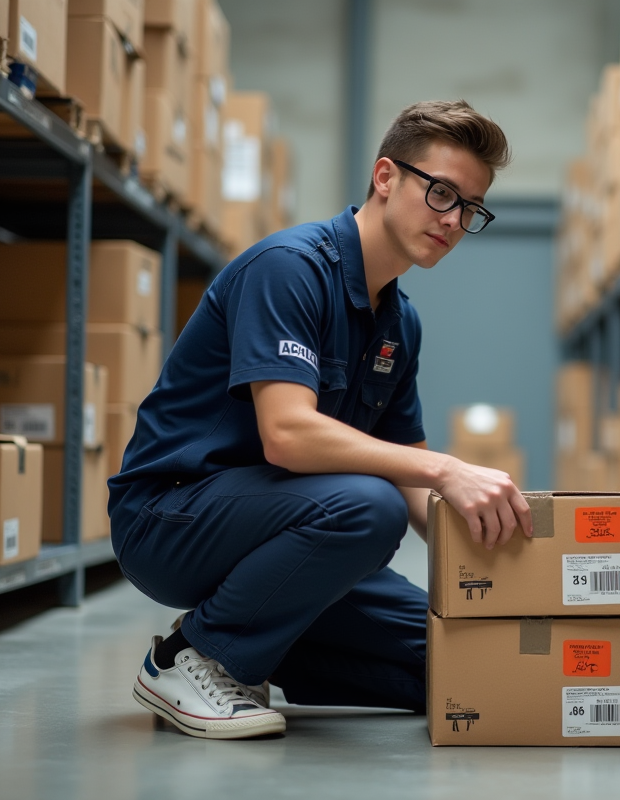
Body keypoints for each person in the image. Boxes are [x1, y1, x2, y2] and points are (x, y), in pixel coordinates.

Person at [108, 100, 533, 740]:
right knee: (369, 505)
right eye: (442, 193)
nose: (453, 219)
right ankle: (192, 657)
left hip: (286, 533)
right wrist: (448, 469)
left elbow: (412, 475)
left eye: (471, 208)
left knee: (465, 662)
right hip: (171, 519)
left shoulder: (400, 323)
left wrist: (506, 576)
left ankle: (260, 651)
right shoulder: (289, 268)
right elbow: (287, 436)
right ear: (386, 177)